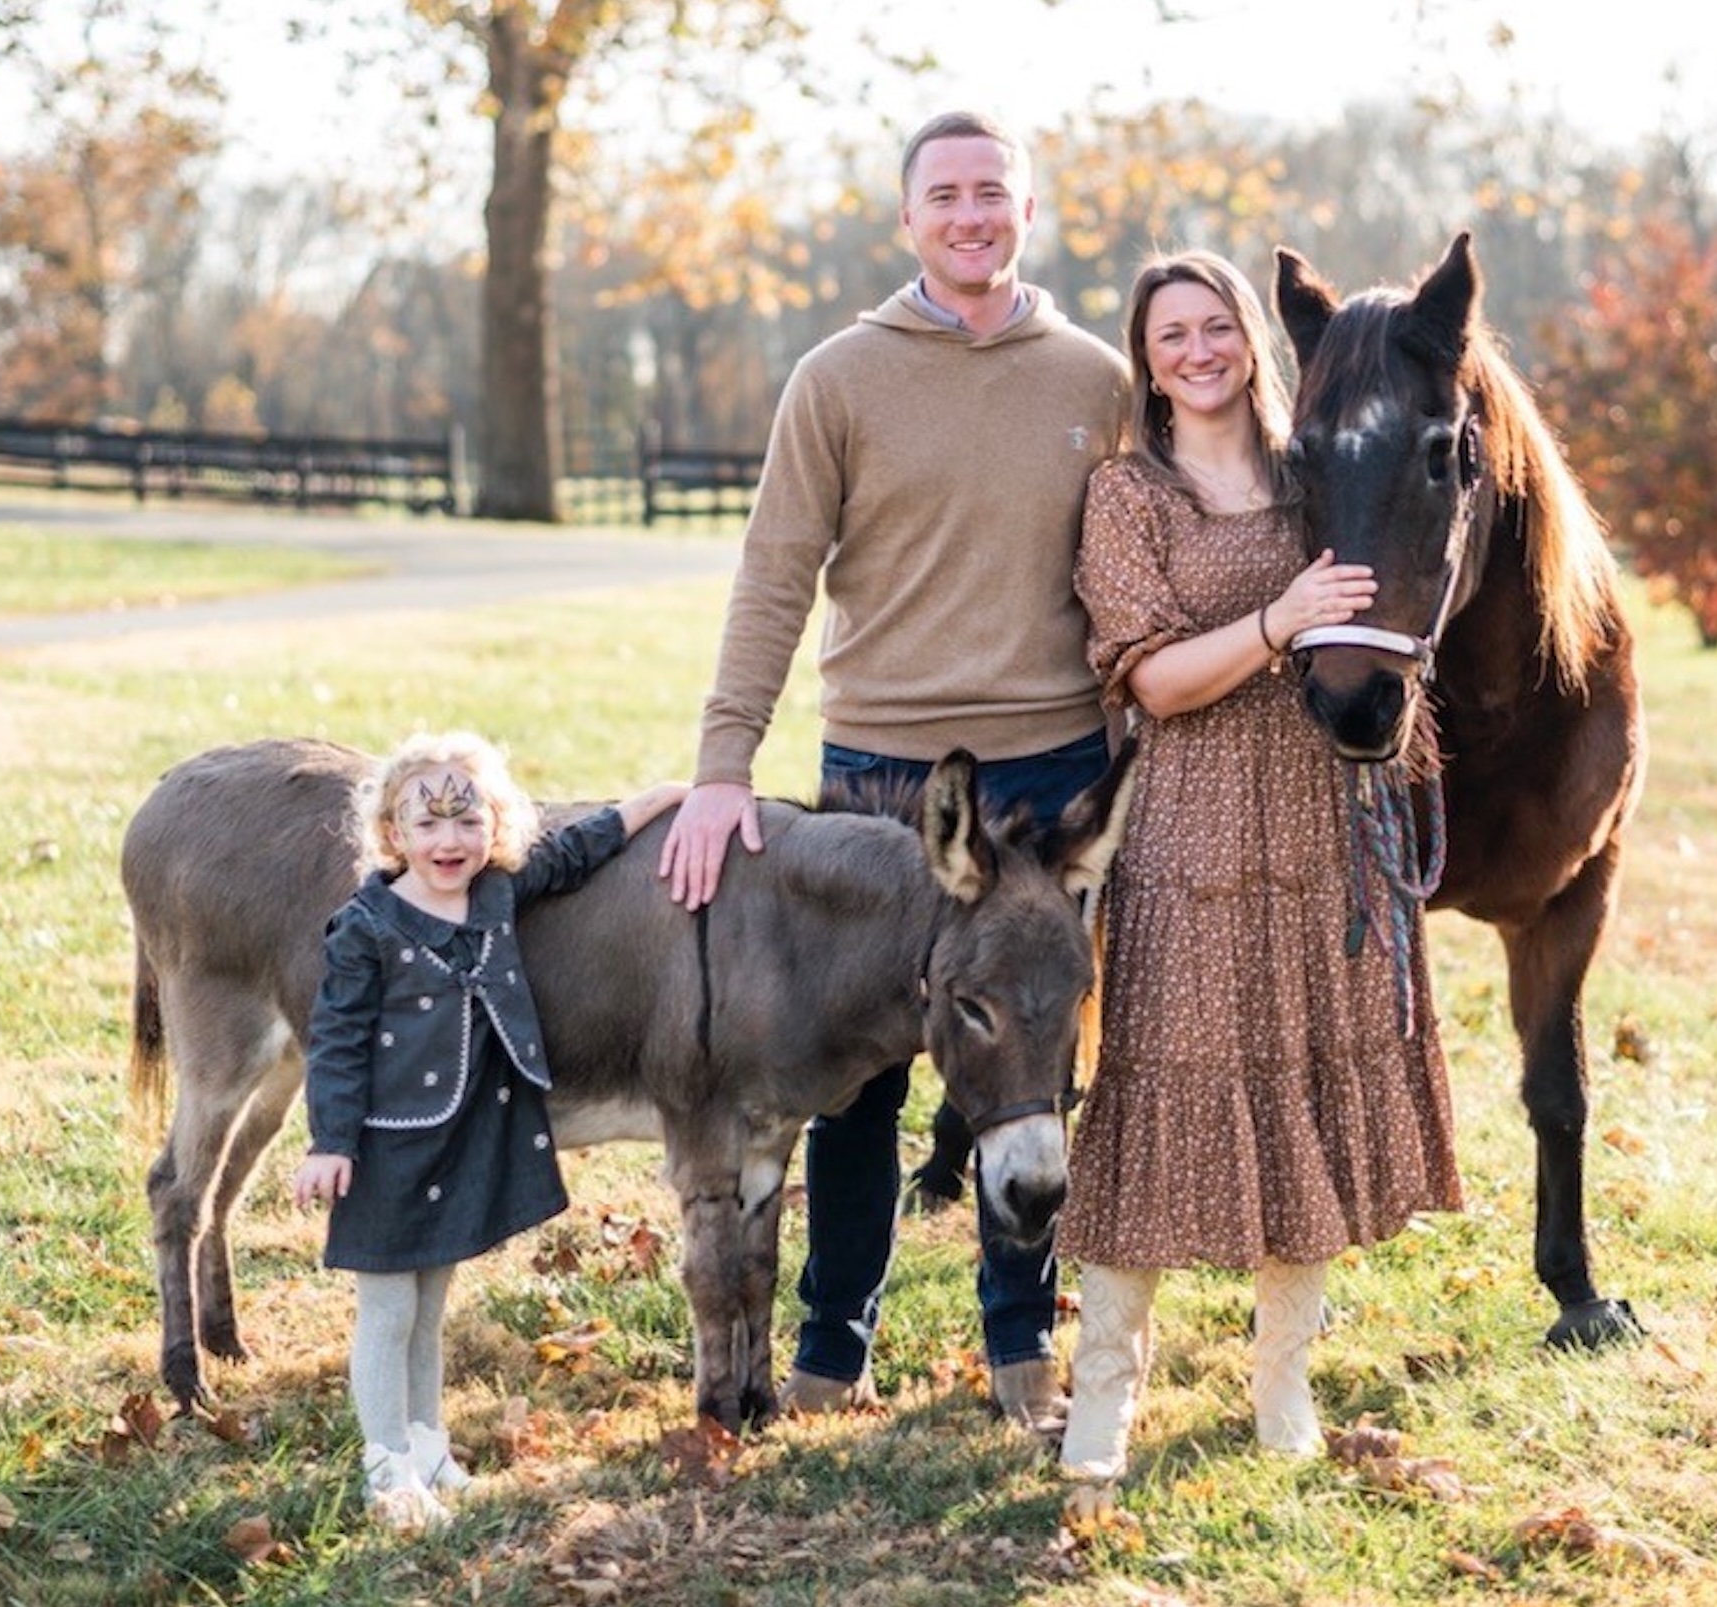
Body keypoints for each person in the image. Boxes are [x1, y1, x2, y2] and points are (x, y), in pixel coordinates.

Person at [657, 109, 1130, 1433]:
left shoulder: (1096, 380)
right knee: (854, 1075)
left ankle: (1019, 1341)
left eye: (995, 193)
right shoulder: (839, 377)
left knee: (1029, 1066)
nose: (971, 214)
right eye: (946, 195)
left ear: (1025, 213)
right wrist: (720, 765)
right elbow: (772, 580)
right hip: (879, 773)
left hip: (1048, 766)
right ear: (908, 217)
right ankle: (832, 1339)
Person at [1055, 251, 1464, 1509]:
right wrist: (1278, 621)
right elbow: (1151, 682)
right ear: (1147, 354)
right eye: (1170, 332)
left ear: (1250, 339)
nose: (1197, 349)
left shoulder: (1310, 481)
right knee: (1154, 1085)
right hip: (1186, 824)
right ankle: (1104, 1397)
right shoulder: (1130, 494)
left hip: (1316, 810)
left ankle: (1282, 1383)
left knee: (1306, 1079)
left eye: (1215, 325)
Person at [293, 731, 686, 1531]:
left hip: (456, 1137)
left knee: (431, 1304)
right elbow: (335, 1039)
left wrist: (662, 797)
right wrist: (330, 1142)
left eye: (467, 821)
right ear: (394, 834)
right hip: (383, 1143)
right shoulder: (367, 925)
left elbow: (577, 850)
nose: (449, 840)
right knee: (388, 1309)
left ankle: (429, 1445)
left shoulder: (497, 893)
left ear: (495, 825)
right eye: (427, 824)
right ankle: (386, 1469)